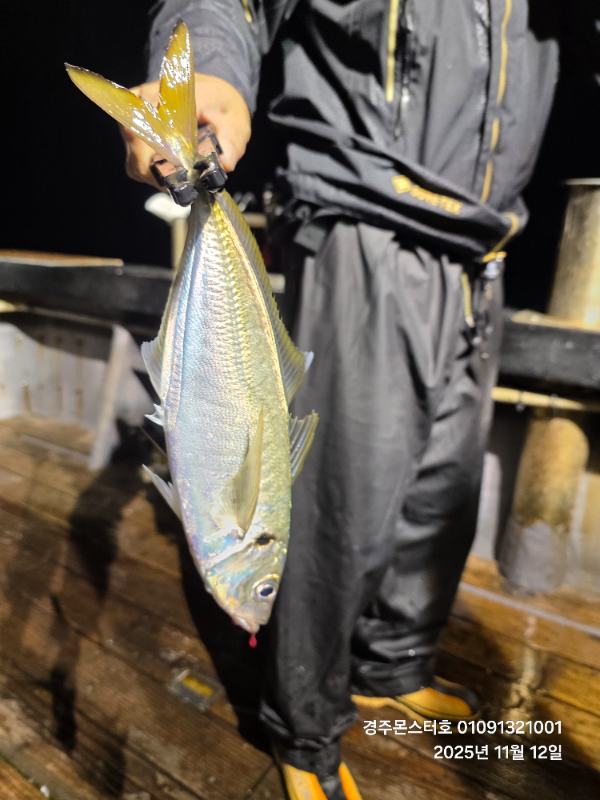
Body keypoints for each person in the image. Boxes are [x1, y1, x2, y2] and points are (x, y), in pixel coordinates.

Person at [124, 2, 560, 798]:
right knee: (337, 508)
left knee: (439, 495)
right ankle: (304, 731)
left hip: (485, 245)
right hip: (366, 222)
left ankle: (393, 666)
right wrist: (207, 69)